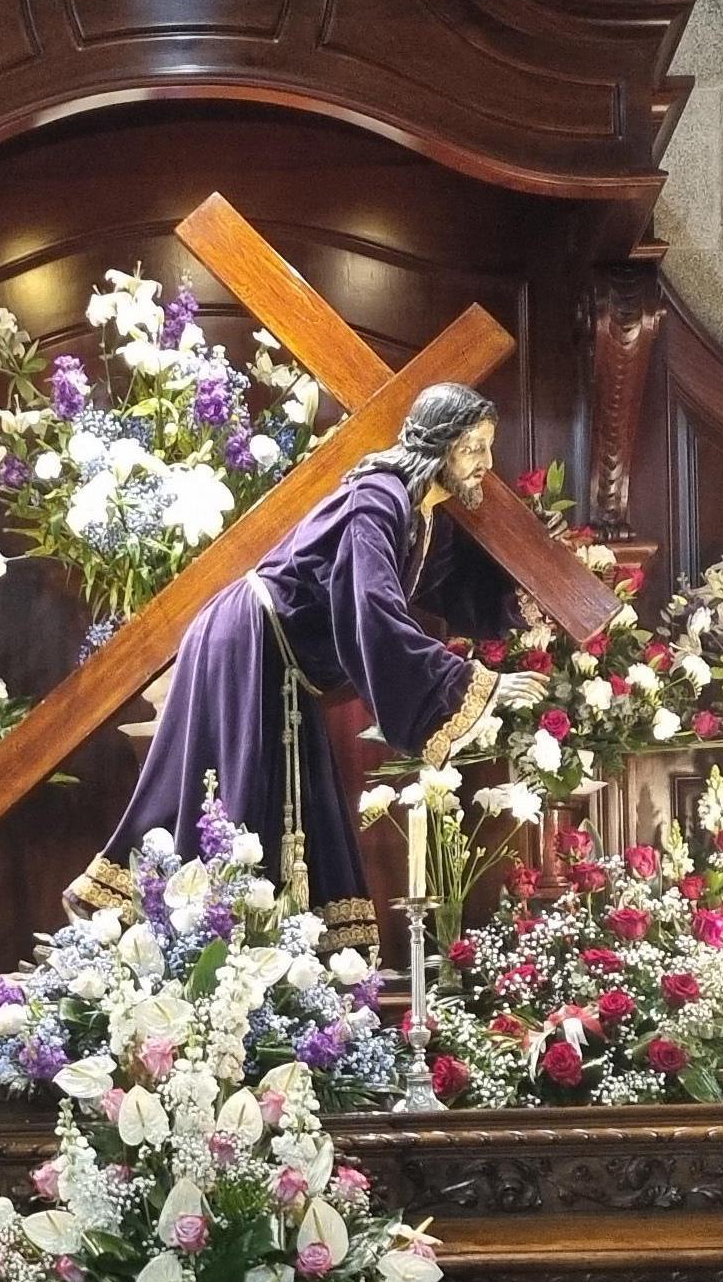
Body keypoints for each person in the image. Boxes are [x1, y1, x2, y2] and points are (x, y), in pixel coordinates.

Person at [76, 382, 532, 949]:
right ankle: (182, 940)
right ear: (437, 445)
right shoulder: (378, 498)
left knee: (276, 804)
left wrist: (519, 603)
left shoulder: (418, 516)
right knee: (228, 799)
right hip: (250, 642)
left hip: (281, 660)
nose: (486, 463)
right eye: (473, 447)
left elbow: (446, 587)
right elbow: (373, 608)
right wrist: (466, 684)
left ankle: (267, 959)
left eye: (488, 447)